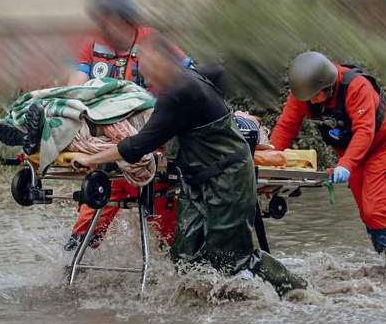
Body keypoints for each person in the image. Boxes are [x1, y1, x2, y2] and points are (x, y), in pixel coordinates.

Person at [71, 35, 308, 297]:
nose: (143, 71)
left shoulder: (177, 92)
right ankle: (203, 304)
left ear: (165, 62)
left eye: (148, 64)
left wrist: (90, 159)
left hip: (228, 179)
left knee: (233, 258)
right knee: (184, 255)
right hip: (196, 181)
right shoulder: (192, 78)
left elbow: (139, 145)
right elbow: (219, 73)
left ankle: (297, 292)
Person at [64, 0, 192, 251]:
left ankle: (177, 268)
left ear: (119, 16)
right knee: (88, 225)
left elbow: (189, 80)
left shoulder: (152, 42)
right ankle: (73, 266)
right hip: (110, 152)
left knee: (166, 230)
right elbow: (75, 88)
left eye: (103, 18)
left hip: (151, 146)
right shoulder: (92, 47)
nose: (100, 25)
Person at [269, 51, 386, 267]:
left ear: (328, 86)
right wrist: (268, 159)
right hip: (350, 150)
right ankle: (385, 254)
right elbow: (286, 127)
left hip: (382, 144)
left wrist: (346, 165)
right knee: (365, 211)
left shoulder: (356, 87)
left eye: (315, 96)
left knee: (374, 210)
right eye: (308, 97)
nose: (311, 101)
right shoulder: (305, 92)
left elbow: (364, 131)